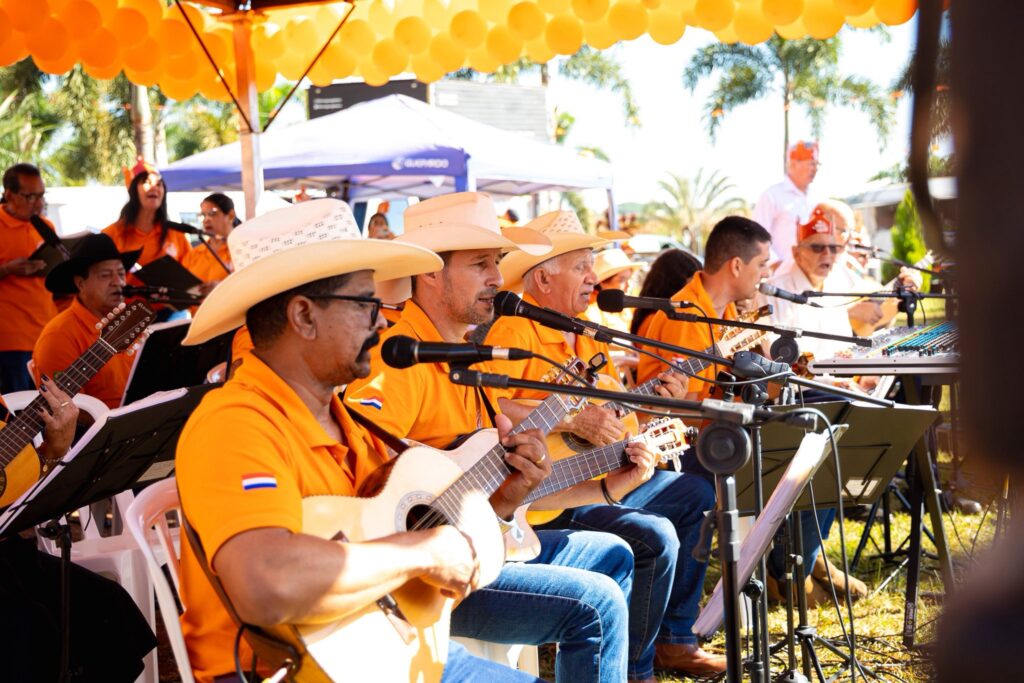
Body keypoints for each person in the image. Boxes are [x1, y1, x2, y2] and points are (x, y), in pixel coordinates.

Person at [175, 199, 545, 683]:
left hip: (387, 656)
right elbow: (267, 583)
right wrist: (426, 552)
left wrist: (500, 503)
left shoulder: (351, 425)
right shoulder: (234, 424)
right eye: (367, 305)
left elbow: (391, 540)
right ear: (304, 316)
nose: (383, 322)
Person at [346, 192, 634, 683]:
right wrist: (432, 527)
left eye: (497, 262)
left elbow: (488, 486)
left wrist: (592, 487)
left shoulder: (467, 361)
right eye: (480, 264)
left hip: (484, 541)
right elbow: (359, 493)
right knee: (597, 603)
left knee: (614, 553)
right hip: (421, 575)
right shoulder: (399, 361)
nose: (498, 278)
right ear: (431, 272)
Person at [485, 211, 723, 681]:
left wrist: (652, 405)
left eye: (592, 265)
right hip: (548, 496)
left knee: (696, 493)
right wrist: (574, 419)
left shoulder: (585, 331)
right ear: (543, 277)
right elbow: (489, 405)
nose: (594, 276)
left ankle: (675, 639)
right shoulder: (513, 332)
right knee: (655, 535)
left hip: (599, 472)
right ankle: (634, 668)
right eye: (581, 266)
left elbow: (617, 419)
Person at [0, 389, 156, 681]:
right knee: (26, 625)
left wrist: (53, 452)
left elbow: (12, 487)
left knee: (106, 604)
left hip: (9, 553)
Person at [756, 207, 869, 604]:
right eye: (818, 247)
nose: (828, 255)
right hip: (790, 406)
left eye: (835, 247)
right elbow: (780, 365)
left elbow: (840, 353)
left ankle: (809, 554)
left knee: (861, 429)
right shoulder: (776, 289)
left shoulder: (835, 284)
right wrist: (833, 379)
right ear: (796, 250)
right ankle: (789, 569)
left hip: (831, 397)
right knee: (832, 433)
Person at [636, 217, 772, 400]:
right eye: (762, 264)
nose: (767, 273)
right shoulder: (686, 317)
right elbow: (686, 411)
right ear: (737, 266)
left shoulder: (727, 308)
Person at [32, 234, 141, 409]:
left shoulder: (131, 321)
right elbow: (67, 408)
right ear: (80, 283)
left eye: (121, 274)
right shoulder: (58, 336)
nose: (119, 282)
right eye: (105, 275)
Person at [0, 163, 58, 392]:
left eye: (42, 195)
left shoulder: (46, 226)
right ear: (8, 195)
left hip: (47, 333)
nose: (39, 203)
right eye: (30, 196)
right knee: (18, 408)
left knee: (50, 405)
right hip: (10, 341)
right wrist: (7, 269)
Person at [104, 159, 191, 269]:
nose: (154, 187)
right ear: (133, 190)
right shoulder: (112, 234)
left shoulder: (176, 234)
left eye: (159, 184)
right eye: (146, 182)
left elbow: (192, 270)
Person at [753, 140, 820, 264]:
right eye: (811, 164)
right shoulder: (772, 195)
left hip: (811, 272)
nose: (815, 169)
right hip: (780, 273)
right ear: (794, 164)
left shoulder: (817, 198)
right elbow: (757, 236)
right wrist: (776, 265)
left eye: (817, 164)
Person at [629, 248, 702, 338]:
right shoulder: (661, 320)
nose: (696, 289)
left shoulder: (652, 316)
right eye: (691, 285)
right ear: (672, 285)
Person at [183, 193, 237, 292]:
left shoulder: (242, 248)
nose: (206, 220)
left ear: (230, 216)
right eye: (203, 215)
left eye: (212, 213)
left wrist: (221, 288)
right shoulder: (194, 254)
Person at [583, 247, 642, 334]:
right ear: (603, 282)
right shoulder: (589, 311)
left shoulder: (629, 305)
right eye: (622, 280)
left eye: (630, 279)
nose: (629, 285)